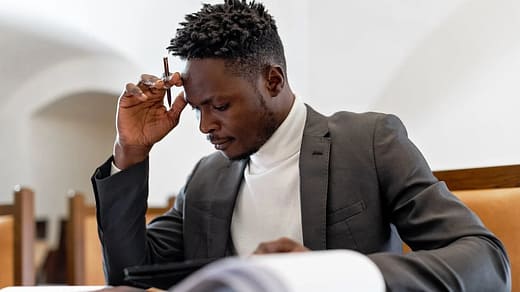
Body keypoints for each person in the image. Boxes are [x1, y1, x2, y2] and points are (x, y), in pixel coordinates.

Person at [91, 0, 511, 290]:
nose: (204, 126)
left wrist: (337, 277)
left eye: (219, 106)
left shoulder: (369, 143)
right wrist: (131, 151)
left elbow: (486, 262)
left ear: (273, 81)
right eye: (198, 109)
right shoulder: (207, 178)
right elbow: (131, 274)